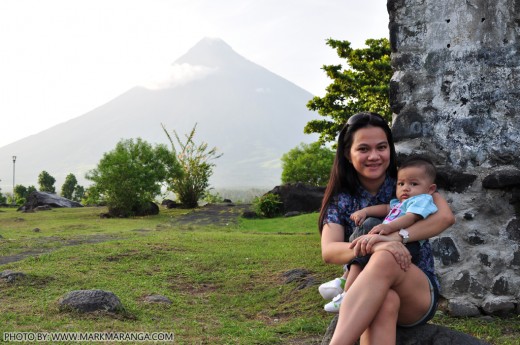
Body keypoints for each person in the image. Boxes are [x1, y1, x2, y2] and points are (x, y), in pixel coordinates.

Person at [319, 112, 455, 344]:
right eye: (363, 149)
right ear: (347, 153)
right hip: (371, 292)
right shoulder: (342, 199)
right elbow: (329, 251)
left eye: (381, 147)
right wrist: (376, 246)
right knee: (384, 299)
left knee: (386, 257)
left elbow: (445, 218)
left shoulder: (407, 181)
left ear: (390, 150)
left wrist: (398, 238)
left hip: (416, 293)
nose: (374, 156)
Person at [323, 156, 439, 312]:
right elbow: (385, 209)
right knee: (367, 233)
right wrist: (365, 211)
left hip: (408, 245)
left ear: (430, 189)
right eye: (401, 184)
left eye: (413, 184)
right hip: (388, 239)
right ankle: (347, 282)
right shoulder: (400, 203)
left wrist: (389, 227)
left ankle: (348, 294)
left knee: (365, 250)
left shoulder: (422, 199)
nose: (405, 188)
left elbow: (411, 217)